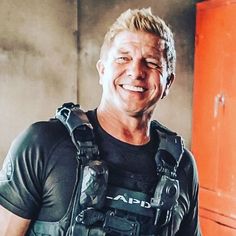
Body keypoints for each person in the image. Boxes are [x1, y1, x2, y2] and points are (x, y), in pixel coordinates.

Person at [0, 8, 201, 236]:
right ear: (102, 70)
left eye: (152, 63)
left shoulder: (182, 166)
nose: (136, 71)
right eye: (123, 58)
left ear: (168, 82)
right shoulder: (43, 144)